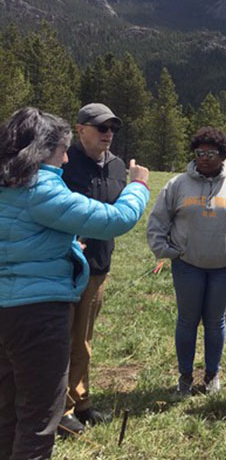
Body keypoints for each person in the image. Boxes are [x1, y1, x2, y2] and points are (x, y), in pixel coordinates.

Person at [0, 107, 149, 460]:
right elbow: (117, 218)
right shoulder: (42, 189)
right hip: (37, 316)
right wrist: (139, 185)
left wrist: (63, 245)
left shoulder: (8, 184)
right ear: (40, 151)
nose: (66, 158)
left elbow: (16, 238)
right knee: (40, 418)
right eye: (60, 150)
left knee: (6, 411)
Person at [147, 127, 226, 397]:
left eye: (210, 153)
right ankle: (185, 378)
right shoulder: (177, 185)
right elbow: (158, 219)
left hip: (224, 266)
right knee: (187, 321)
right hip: (187, 264)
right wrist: (164, 249)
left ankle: (212, 375)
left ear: (223, 155)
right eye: (199, 153)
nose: (204, 158)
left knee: (215, 321)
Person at [56, 103, 126, 435]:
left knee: (83, 337)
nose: (107, 134)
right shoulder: (63, 165)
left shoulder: (117, 166)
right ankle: (61, 409)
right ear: (80, 129)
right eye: (101, 128)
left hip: (98, 266)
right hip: (64, 265)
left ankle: (79, 402)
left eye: (111, 128)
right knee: (63, 337)